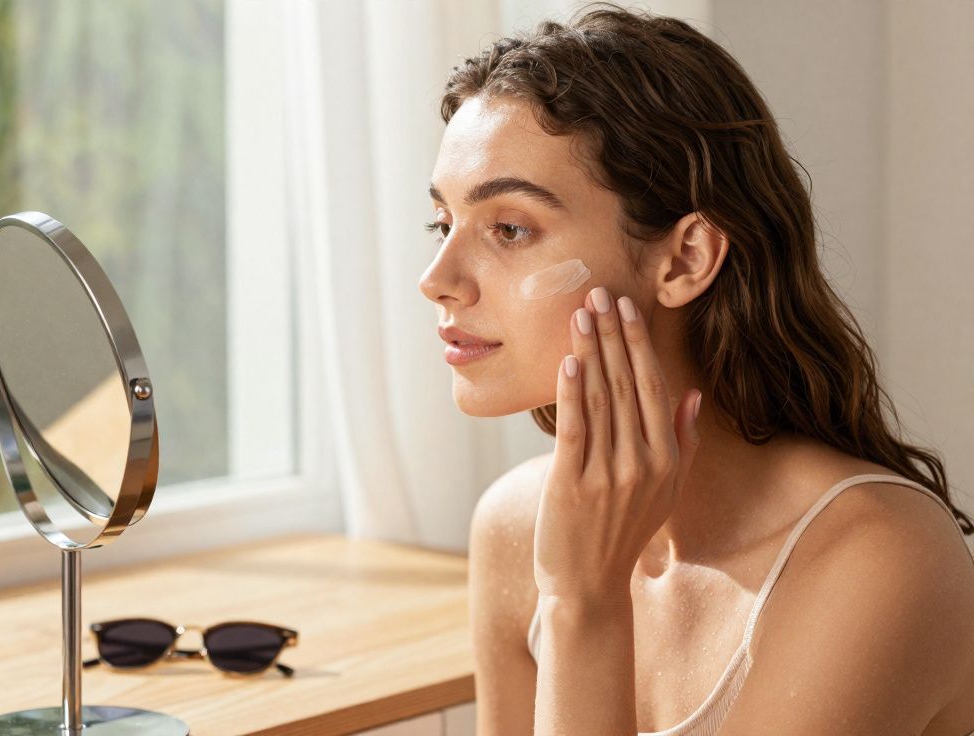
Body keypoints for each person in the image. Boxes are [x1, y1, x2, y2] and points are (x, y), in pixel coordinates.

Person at [417, 3, 974, 734]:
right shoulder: (517, 528)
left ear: (684, 259)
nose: (438, 277)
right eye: (442, 223)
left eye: (510, 228)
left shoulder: (879, 561)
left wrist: (583, 604)